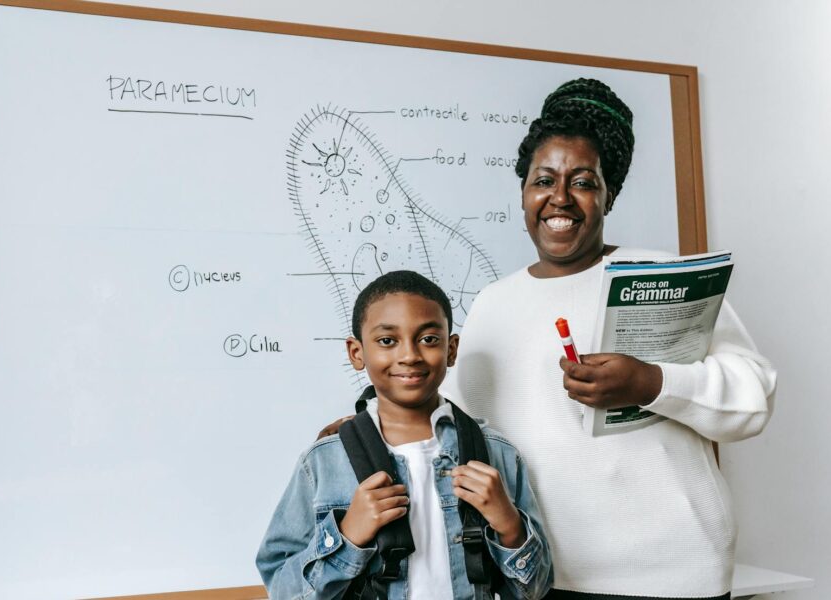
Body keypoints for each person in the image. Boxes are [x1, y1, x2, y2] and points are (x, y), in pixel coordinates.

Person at [441, 78, 777, 599]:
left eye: (583, 181)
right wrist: (368, 425)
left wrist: (648, 383)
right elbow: (458, 429)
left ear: (609, 195)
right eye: (543, 180)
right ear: (523, 192)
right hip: (538, 573)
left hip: (673, 575)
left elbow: (754, 400)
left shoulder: (662, 278)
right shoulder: (491, 303)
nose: (559, 198)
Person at [258, 270, 552, 600]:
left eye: (428, 339)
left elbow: (536, 590)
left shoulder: (497, 454)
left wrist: (510, 526)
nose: (410, 355)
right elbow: (282, 589)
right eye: (387, 341)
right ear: (357, 353)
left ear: (451, 349)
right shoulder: (324, 463)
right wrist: (347, 536)